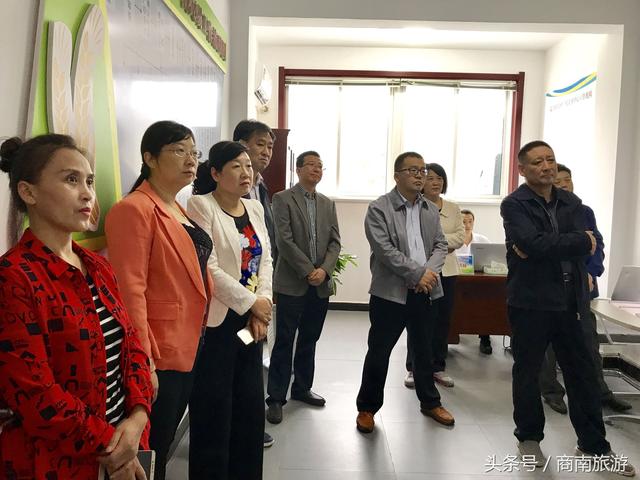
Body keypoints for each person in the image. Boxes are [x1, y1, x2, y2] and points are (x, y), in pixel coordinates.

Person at [0, 134, 153, 479]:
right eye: (71, 180)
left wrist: (138, 418)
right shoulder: (14, 277)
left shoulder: (96, 266)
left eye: (89, 181)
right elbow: (36, 394)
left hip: (123, 447)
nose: (87, 194)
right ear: (28, 192)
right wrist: (115, 449)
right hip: (56, 462)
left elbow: (131, 346)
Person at [501, 140, 634, 476]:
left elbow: (580, 243)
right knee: (528, 372)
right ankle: (529, 437)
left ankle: (594, 445)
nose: (546, 166)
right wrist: (576, 241)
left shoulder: (572, 202)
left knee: (583, 374)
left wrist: (548, 245)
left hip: (571, 301)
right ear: (522, 169)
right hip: (531, 302)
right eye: (537, 162)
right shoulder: (514, 204)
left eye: (550, 160)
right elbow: (532, 242)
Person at [105, 121, 213, 480]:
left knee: (161, 446)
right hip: (159, 350)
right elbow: (129, 291)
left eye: (194, 152)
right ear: (149, 157)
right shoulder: (134, 209)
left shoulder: (176, 207)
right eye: (179, 151)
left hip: (188, 342)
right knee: (152, 448)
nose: (191, 159)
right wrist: (144, 361)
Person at [187, 141, 273, 479]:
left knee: (250, 406)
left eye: (248, 166)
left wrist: (261, 306)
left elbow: (265, 260)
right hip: (219, 323)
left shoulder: (254, 207)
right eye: (236, 166)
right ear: (215, 173)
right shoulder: (201, 205)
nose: (246, 172)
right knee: (214, 408)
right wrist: (252, 303)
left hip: (253, 321)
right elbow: (208, 267)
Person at [356, 151, 454, 434]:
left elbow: (440, 245)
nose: (420, 175)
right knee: (379, 351)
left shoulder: (430, 209)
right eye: (413, 170)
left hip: (426, 292)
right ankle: (367, 408)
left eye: (422, 170)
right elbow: (384, 250)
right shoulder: (379, 208)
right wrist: (417, 273)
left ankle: (430, 402)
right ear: (397, 175)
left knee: (424, 351)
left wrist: (429, 273)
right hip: (390, 294)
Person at [539, 164, 632, 414]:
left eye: (567, 180)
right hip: (552, 289)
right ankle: (552, 392)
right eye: (558, 181)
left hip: (582, 290)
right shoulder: (542, 213)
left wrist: (591, 272)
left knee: (589, 343)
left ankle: (600, 391)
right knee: (549, 347)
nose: (564, 185)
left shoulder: (584, 211)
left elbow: (596, 245)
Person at [265, 151, 341, 424]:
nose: (316, 169)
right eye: (311, 165)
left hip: (320, 284)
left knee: (310, 338)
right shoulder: (282, 199)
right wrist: (309, 270)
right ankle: (276, 398)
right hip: (292, 282)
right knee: (284, 341)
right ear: (298, 170)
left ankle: (302, 388)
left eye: (320, 166)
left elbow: (335, 242)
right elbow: (283, 241)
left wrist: (324, 270)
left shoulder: (327, 203)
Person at [233, 119, 277, 447]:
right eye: (259, 144)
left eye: (270, 146)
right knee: (232, 365)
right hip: (232, 302)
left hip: (257, 296)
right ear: (241, 144)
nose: (266, 152)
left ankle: (247, 427)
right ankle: (233, 429)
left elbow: (265, 250)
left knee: (250, 362)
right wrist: (252, 303)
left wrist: (263, 300)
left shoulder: (261, 189)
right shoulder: (209, 194)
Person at [405, 163, 464, 389]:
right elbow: (413, 237)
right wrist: (441, 242)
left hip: (447, 271)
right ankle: (413, 368)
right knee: (418, 320)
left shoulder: (453, 208)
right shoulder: (414, 206)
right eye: (430, 178)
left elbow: (460, 237)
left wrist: (437, 241)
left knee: (443, 320)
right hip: (422, 271)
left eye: (439, 178)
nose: (435, 182)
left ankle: (438, 366)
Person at [456, 209, 493, 354]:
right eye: (463, 222)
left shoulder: (482, 240)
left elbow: (491, 260)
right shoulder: (453, 240)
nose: (467, 225)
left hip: (478, 282)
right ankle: (449, 336)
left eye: (470, 221)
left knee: (486, 302)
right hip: (458, 282)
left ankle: (485, 337)